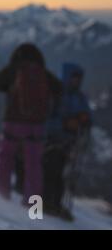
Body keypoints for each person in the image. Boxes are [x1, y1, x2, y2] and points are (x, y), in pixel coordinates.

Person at [0, 43, 62, 203]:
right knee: (33, 164)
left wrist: (10, 88)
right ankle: (32, 202)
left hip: (13, 121)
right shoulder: (43, 73)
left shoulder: (14, 69)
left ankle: (2, 196)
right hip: (36, 125)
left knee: (6, 158)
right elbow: (59, 88)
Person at [43, 63, 92, 221]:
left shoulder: (79, 97)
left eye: (78, 79)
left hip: (69, 143)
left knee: (59, 175)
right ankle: (43, 205)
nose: (76, 82)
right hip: (52, 141)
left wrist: (85, 120)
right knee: (51, 172)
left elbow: (87, 116)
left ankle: (54, 205)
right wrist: (65, 124)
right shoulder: (56, 94)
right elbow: (45, 119)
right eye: (74, 78)